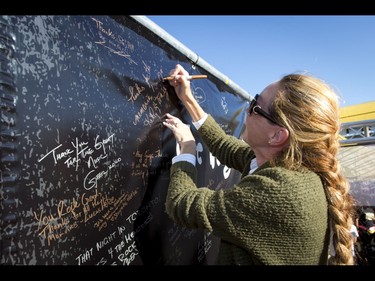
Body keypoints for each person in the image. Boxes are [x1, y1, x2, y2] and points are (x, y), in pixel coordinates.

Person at [162, 64, 355, 265]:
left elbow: (181, 204)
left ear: (277, 135)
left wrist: (186, 147)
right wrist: (187, 99)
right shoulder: (289, 165)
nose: (247, 109)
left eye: (255, 105)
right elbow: (224, 145)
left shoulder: (278, 192)